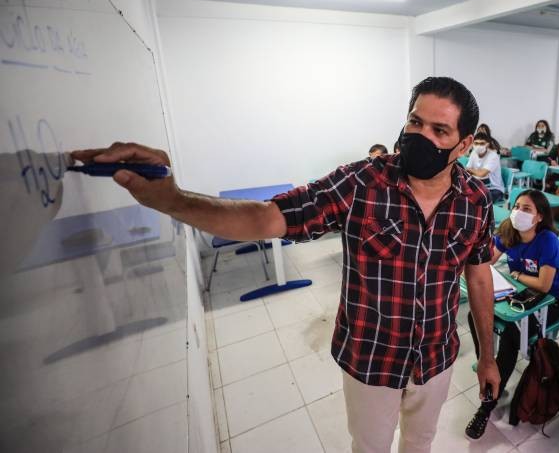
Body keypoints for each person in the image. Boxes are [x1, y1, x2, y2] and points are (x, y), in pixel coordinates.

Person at [72, 76, 502, 453]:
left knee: (420, 444)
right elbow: (269, 217)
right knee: (369, 447)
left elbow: (479, 277)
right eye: (414, 121)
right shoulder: (362, 183)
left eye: (438, 130)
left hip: (436, 357)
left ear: (464, 145)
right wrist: (173, 200)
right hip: (371, 359)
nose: (419, 135)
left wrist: (487, 357)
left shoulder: (476, 201)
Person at [464, 189, 559, 440]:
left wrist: (517, 276)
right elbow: (487, 261)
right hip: (518, 295)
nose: (519, 212)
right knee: (474, 316)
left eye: (527, 209)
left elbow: (543, 284)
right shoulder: (509, 230)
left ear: (540, 216)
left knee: (510, 337)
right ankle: (490, 365)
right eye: (517, 206)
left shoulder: (547, 240)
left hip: (547, 303)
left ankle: (487, 403)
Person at [467, 132, 505, 203]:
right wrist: (473, 171)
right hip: (479, 186)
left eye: (482, 143)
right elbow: (467, 171)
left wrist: (472, 171)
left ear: (487, 144)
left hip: (494, 189)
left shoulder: (493, 156)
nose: (478, 146)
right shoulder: (473, 153)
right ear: (473, 144)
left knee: (476, 200)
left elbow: (482, 174)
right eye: (476, 143)